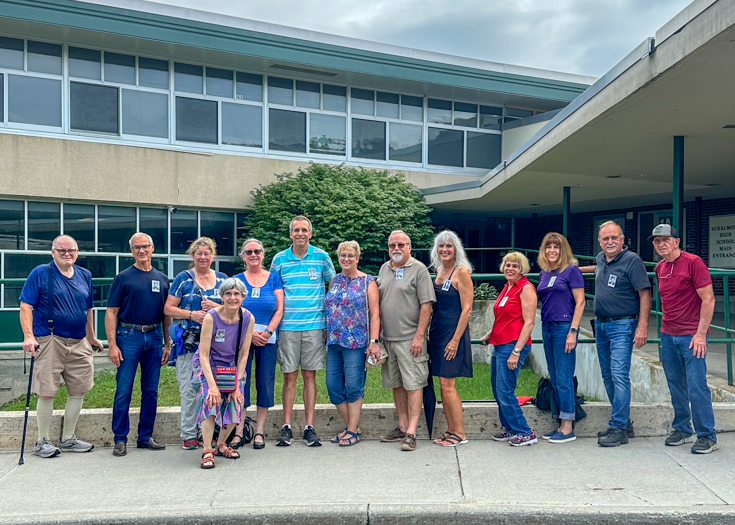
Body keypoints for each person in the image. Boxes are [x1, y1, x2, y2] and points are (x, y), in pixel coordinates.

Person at [19, 234, 104, 458]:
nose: (67, 254)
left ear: (77, 252)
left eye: (72, 250)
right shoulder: (41, 273)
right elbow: (26, 306)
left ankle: (68, 438)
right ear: (53, 252)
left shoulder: (84, 275)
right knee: (47, 391)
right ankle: (41, 441)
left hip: (79, 342)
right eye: (62, 250)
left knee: (79, 390)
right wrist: (29, 336)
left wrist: (92, 337)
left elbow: (88, 310)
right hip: (50, 339)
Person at [582, 220, 651, 447]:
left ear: (622, 240)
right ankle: (623, 423)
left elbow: (644, 294)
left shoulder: (632, 261)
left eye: (614, 238)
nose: (610, 242)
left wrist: (642, 327)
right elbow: (597, 269)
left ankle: (618, 428)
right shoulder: (602, 259)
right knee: (608, 376)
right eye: (605, 239)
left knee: (619, 375)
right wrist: (568, 270)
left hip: (623, 325)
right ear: (599, 242)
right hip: (601, 326)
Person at [650, 224, 718, 454]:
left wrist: (700, 334)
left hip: (692, 335)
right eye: (657, 241)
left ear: (677, 241)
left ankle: (707, 435)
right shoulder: (660, 267)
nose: (661, 244)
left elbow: (708, 299)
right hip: (668, 334)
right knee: (675, 384)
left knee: (697, 386)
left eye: (666, 239)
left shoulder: (693, 262)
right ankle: (682, 428)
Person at [270, 215, 336, 447]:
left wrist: (329, 321)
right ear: (290, 234)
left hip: (314, 326)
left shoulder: (321, 257)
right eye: (296, 230)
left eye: (304, 230)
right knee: (289, 377)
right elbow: (273, 290)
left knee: (309, 375)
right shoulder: (279, 260)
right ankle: (286, 426)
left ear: (310, 233)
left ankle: (309, 427)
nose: (300, 233)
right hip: (287, 326)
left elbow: (334, 284)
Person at [106, 232, 171, 457]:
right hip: (128, 335)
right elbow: (111, 312)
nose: (141, 251)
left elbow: (166, 314)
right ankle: (120, 438)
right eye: (136, 247)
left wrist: (167, 342)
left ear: (153, 248)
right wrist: (112, 345)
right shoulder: (123, 278)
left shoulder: (162, 279)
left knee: (151, 390)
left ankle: (145, 436)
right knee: (124, 388)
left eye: (145, 246)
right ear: (131, 251)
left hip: (153, 337)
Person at [164, 237, 227, 450]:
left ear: (213, 256)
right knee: (189, 389)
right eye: (199, 253)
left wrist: (215, 306)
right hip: (189, 343)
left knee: (214, 388)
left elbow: (234, 306)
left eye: (207, 253)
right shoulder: (184, 279)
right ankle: (189, 434)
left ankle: (207, 434)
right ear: (193, 256)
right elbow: (168, 308)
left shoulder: (222, 280)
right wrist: (192, 314)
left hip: (218, 345)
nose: (203, 257)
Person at [377, 230, 435, 452]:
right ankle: (401, 426)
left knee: (413, 385)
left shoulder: (419, 270)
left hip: (411, 339)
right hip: (388, 338)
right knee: (397, 384)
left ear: (409, 247)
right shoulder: (385, 268)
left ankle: (411, 432)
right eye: (392, 245)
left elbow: (427, 305)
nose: (396, 249)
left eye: (401, 244)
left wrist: (419, 336)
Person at [324, 241, 382, 447]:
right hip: (334, 341)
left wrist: (374, 341)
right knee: (333, 386)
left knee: (354, 387)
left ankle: (351, 430)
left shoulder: (368, 281)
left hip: (357, 343)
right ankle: (353, 427)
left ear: (357, 258)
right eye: (343, 256)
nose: (346, 259)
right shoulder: (335, 280)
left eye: (350, 256)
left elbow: (375, 313)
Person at [193, 278, 254, 469]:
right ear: (222, 297)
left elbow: (244, 353)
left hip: (230, 366)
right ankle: (207, 450)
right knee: (210, 400)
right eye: (228, 293)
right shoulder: (212, 317)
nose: (232, 297)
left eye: (237, 294)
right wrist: (211, 386)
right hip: (207, 364)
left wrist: (236, 384)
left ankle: (221, 444)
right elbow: (203, 354)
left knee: (235, 402)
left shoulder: (248, 318)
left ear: (243, 297)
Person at [481, 251, 538, 447]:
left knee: (505, 390)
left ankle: (525, 431)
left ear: (522, 269)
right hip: (500, 343)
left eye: (515, 266)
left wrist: (516, 351)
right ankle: (510, 428)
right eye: (507, 265)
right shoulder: (507, 287)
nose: (510, 268)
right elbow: (505, 317)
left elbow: (529, 322)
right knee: (498, 390)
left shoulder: (526, 288)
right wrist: (491, 333)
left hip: (513, 345)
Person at [233, 238, 284, 450]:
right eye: (249, 252)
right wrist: (249, 333)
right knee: (240, 381)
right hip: (242, 337)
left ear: (263, 255)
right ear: (243, 256)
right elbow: (231, 308)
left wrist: (268, 331)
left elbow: (280, 309)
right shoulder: (236, 280)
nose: (253, 255)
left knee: (265, 381)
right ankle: (238, 431)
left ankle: (260, 431)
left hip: (268, 338)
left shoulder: (274, 279)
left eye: (257, 251)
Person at [537, 232, 586, 443]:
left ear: (563, 250)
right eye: (548, 247)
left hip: (564, 328)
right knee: (555, 377)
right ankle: (560, 423)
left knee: (564, 377)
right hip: (547, 327)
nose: (552, 251)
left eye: (556, 247)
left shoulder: (571, 271)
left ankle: (568, 426)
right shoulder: (544, 273)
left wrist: (573, 332)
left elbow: (581, 302)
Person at [427, 230, 473, 447]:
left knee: (448, 384)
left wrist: (455, 340)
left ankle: (460, 433)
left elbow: (467, 309)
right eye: (441, 246)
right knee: (441, 383)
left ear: (456, 249)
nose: (444, 250)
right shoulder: (438, 270)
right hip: (437, 332)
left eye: (449, 246)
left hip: (453, 334)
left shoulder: (461, 271)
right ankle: (450, 429)